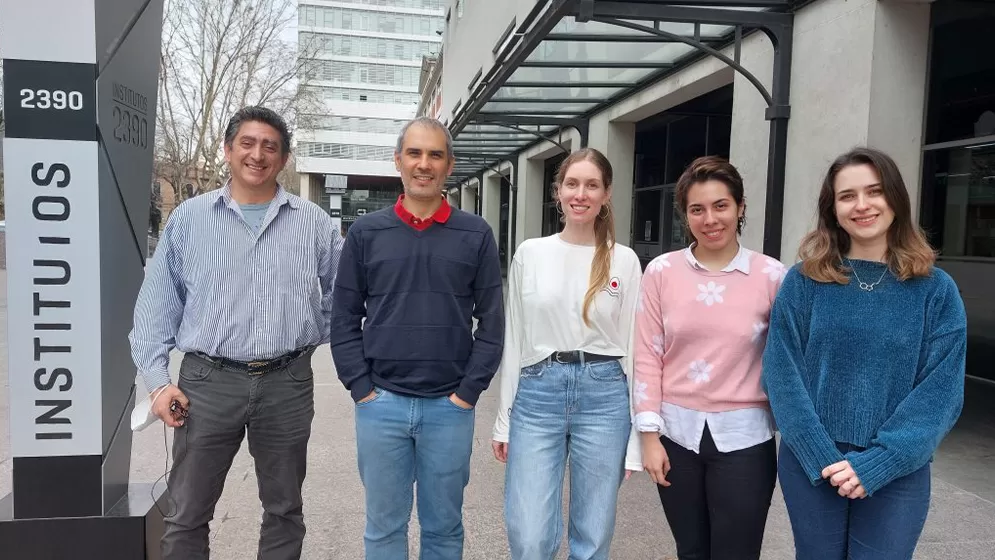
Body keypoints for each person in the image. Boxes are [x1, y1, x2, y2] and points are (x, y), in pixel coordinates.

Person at [129, 106, 342, 560]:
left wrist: (305, 337)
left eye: (270, 146)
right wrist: (157, 382)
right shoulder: (188, 220)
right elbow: (156, 307)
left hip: (288, 383)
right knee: (187, 511)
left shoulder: (314, 224)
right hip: (207, 384)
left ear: (283, 159)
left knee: (285, 509)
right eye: (247, 143)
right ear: (228, 150)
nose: (257, 154)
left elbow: (340, 294)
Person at [762, 147, 966, 559]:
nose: (862, 205)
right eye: (847, 195)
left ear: (895, 198)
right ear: (832, 208)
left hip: (898, 468)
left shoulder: (935, 290)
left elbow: (940, 392)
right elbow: (782, 372)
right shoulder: (804, 281)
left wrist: (878, 462)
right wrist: (819, 453)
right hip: (812, 463)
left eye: (874, 191)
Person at [330, 116, 504, 560]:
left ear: (450, 166)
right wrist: (361, 389)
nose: (423, 164)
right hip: (380, 406)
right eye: (414, 153)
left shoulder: (476, 234)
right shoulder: (367, 233)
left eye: (435, 154)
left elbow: (492, 324)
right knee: (384, 529)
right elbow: (344, 317)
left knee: (444, 528)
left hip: (449, 409)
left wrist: (467, 394)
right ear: (398, 161)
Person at [491, 148, 643, 560]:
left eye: (592, 185)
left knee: (593, 536)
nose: (581, 194)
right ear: (557, 192)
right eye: (572, 184)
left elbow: (633, 349)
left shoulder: (624, 260)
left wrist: (636, 439)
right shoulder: (531, 253)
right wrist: (504, 420)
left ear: (606, 193)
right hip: (538, 392)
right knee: (529, 535)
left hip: (606, 395)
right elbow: (516, 340)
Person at [632, 156, 784, 559]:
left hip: (746, 439)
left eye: (721, 205)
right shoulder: (662, 272)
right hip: (677, 436)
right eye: (697, 209)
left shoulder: (772, 276)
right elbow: (648, 354)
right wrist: (649, 437)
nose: (710, 218)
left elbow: (787, 360)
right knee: (692, 550)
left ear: (740, 208)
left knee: (738, 551)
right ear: (685, 215)